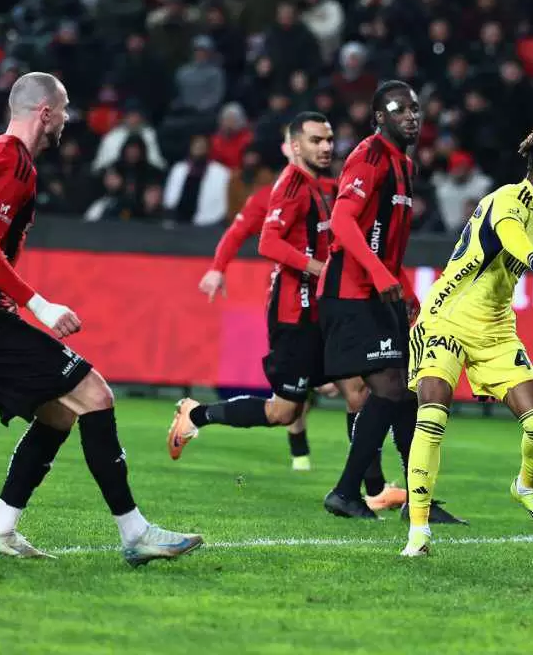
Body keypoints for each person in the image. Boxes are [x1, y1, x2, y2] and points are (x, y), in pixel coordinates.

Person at [0, 72, 202, 565]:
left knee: (59, 411)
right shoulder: (13, 160)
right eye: (64, 110)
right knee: (95, 394)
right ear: (45, 113)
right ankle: (135, 533)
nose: (68, 120)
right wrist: (39, 305)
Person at [167, 113, 404, 508]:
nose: (326, 147)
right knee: (283, 412)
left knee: (359, 391)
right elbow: (266, 241)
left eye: (329, 139)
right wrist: (315, 268)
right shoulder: (290, 186)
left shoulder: (326, 188)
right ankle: (196, 415)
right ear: (294, 146)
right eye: (315, 140)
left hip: (324, 311)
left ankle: (374, 490)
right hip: (295, 313)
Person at [402, 124, 533, 557]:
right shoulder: (508, 199)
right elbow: (508, 233)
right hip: (447, 316)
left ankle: (525, 486)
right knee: (432, 417)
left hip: (496, 329)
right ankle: (419, 532)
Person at [319, 80, 462, 524]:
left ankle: (416, 501)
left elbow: (386, 243)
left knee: (405, 393)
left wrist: (402, 285)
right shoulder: (370, 156)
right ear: (379, 117)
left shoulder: (404, 164)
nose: (411, 116)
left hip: (379, 290)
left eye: (415, 109)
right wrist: (382, 275)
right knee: (388, 388)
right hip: (351, 291)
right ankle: (347, 491)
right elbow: (342, 221)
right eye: (400, 110)